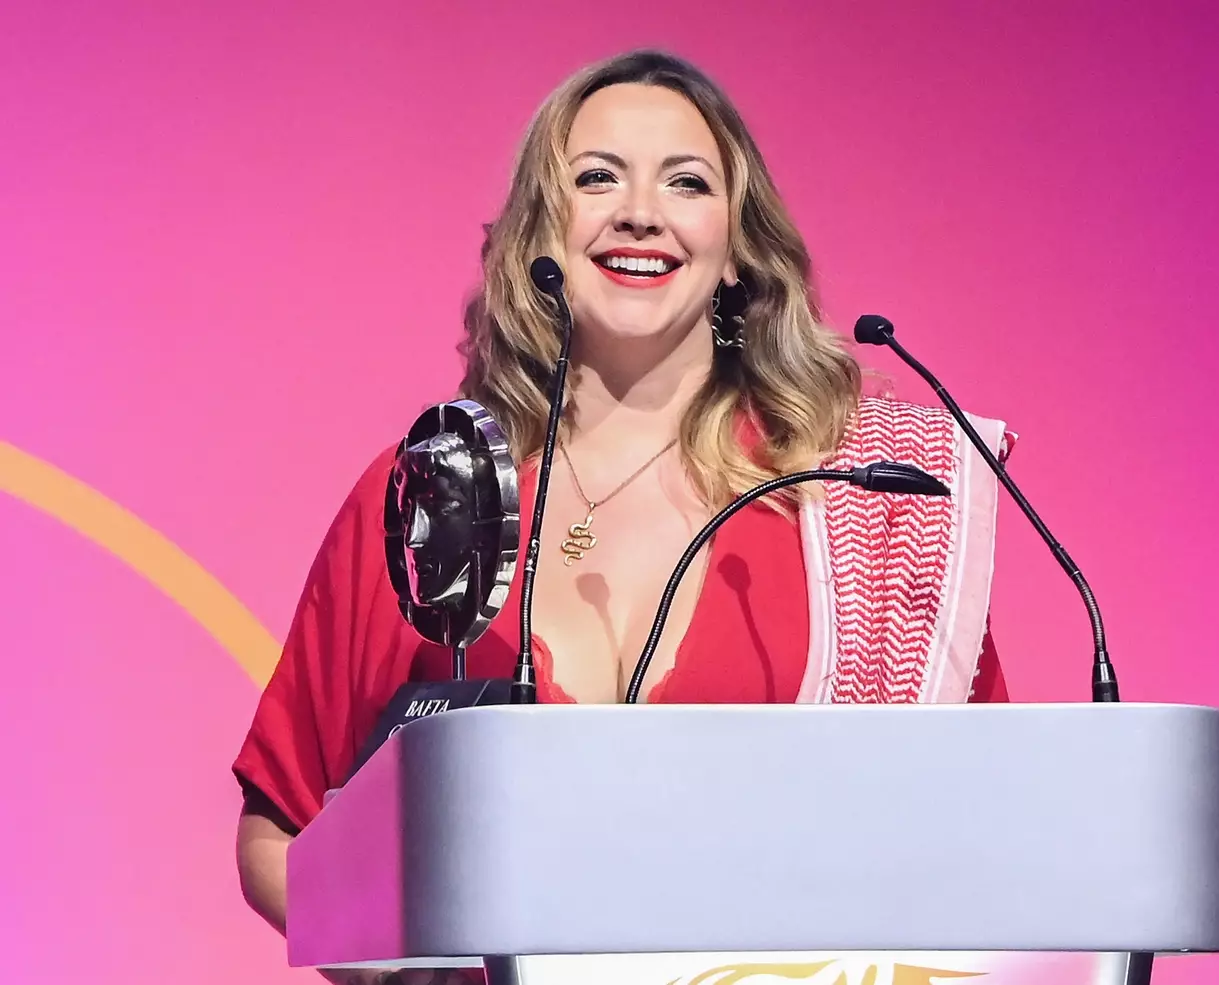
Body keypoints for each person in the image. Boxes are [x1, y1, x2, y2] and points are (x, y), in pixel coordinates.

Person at [233, 49, 1014, 985]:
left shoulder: (862, 499)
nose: (640, 211)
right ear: (541, 229)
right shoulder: (431, 489)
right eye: (597, 177)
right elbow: (277, 831)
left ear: (737, 249)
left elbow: (986, 824)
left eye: (686, 182)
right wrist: (395, 962)